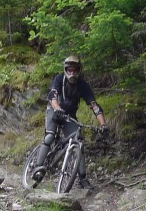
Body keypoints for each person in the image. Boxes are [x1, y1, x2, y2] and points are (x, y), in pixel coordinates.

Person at [33, 55, 108, 189]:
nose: (72, 73)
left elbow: (94, 106)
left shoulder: (83, 85)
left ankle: (83, 179)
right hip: (54, 110)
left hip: (70, 116)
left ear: (79, 70)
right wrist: (57, 109)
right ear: (65, 69)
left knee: (78, 142)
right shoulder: (59, 79)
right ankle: (38, 168)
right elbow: (52, 96)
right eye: (69, 70)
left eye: (75, 70)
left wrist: (103, 125)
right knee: (50, 136)